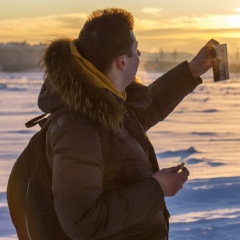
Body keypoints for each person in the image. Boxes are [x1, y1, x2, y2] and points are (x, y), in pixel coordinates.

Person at [38, 8, 219, 240]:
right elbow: (82, 222)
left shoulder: (105, 102)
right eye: (136, 49)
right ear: (122, 61)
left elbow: (146, 110)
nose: (140, 53)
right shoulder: (78, 128)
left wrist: (192, 70)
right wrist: (157, 189)